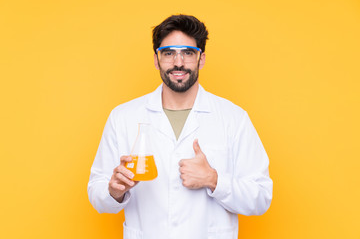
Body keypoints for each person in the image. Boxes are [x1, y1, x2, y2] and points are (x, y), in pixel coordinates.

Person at [88, 14, 273, 239]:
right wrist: (114, 191)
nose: (178, 62)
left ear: (201, 59)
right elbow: (97, 193)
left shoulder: (233, 118)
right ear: (156, 60)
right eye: (168, 53)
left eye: (187, 52)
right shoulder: (123, 117)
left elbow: (262, 196)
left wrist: (214, 180)